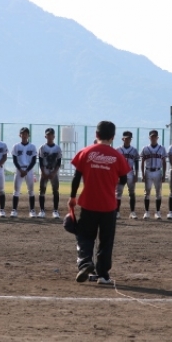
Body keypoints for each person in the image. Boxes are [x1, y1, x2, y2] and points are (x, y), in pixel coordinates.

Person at [69, 121, 131, 285]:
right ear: (113, 137)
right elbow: (123, 179)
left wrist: (73, 197)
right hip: (108, 204)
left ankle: (85, 263)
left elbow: (76, 177)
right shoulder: (117, 156)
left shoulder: (85, 152)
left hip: (88, 203)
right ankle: (103, 274)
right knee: (106, 241)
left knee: (85, 236)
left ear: (96, 134)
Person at [140, 130, 167, 220]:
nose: (153, 138)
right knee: (147, 193)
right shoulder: (145, 148)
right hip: (148, 171)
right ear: (149, 138)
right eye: (152, 136)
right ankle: (146, 212)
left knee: (158, 193)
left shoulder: (162, 148)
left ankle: (158, 212)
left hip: (158, 171)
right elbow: (142, 162)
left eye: (155, 136)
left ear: (157, 137)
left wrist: (164, 175)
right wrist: (142, 174)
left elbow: (164, 162)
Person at [11, 127, 38, 218]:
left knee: (31, 191)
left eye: (26, 134)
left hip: (29, 171)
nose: (24, 135)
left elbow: (34, 161)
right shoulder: (16, 146)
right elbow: (15, 160)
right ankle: (14, 210)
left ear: (28, 135)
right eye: (23, 133)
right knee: (16, 191)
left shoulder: (32, 146)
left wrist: (26, 170)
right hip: (19, 171)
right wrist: (20, 170)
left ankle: (32, 211)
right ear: (20, 135)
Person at [38, 128, 62, 219]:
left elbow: (59, 162)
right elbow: (40, 161)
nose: (50, 136)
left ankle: (55, 211)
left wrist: (54, 172)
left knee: (55, 191)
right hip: (45, 170)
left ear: (54, 136)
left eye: (51, 134)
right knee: (42, 191)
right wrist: (43, 172)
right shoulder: (42, 148)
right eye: (48, 134)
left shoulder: (57, 148)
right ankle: (42, 211)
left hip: (54, 171)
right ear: (45, 136)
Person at [116, 131, 139, 219]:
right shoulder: (118, 150)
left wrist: (136, 175)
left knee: (132, 192)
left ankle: (132, 212)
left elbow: (136, 163)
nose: (127, 140)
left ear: (131, 139)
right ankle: (117, 212)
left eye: (129, 138)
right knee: (118, 193)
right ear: (123, 139)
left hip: (130, 173)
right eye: (126, 138)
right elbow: (115, 163)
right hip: (120, 173)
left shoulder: (134, 150)